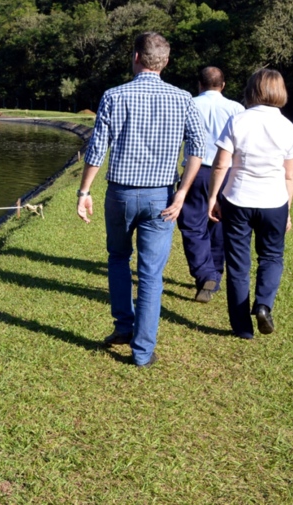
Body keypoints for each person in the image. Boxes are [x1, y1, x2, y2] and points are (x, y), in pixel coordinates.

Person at [77, 32, 205, 367]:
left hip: (120, 193)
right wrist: (182, 193)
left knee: (118, 258)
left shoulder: (114, 96)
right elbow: (198, 149)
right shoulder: (183, 99)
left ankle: (123, 326)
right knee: (150, 274)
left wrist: (84, 191)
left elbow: (97, 147)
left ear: (135, 57)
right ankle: (142, 351)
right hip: (161, 196)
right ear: (166, 60)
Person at [207, 68, 293, 339]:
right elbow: (290, 174)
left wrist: (213, 197)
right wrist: (288, 210)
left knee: (237, 263)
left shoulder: (238, 121)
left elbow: (221, 164)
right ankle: (263, 304)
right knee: (271, 256)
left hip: (238, 198)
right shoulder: (287, 126)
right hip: (274, 202)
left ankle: (242, 328)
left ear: (251, 90)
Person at [178, 67, 244, 303]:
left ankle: (205, 273)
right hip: (226, 172)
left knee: (192, 224)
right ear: (223, 85)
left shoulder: (189, 104)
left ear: (199, 84)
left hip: (196, 171)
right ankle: (215, 271)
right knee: (218, 223)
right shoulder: (237, 109)